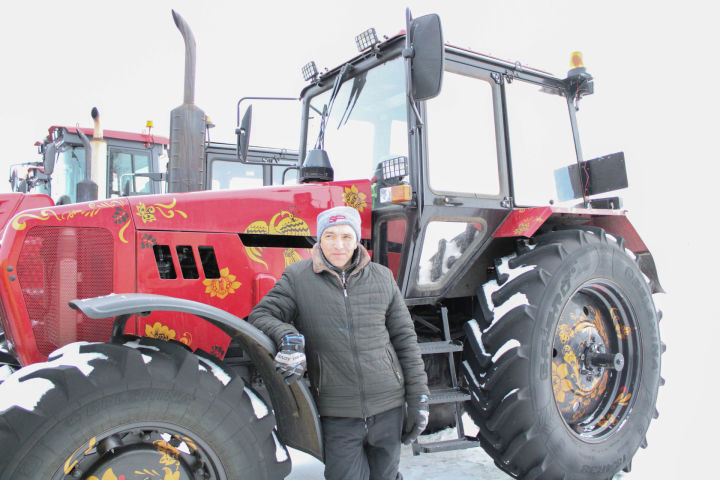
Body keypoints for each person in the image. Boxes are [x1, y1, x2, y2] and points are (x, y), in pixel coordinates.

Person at [249, 205, 429, 480]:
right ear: (319, 239)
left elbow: (405, 340)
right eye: (330, 236)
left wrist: (418, 398)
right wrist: (288, 337)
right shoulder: (297, 278)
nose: (338, 245)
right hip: (338, 412)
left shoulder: (382, 278)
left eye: (346, 236)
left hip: (388, 406)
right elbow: (261, 315)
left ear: (357, 239)